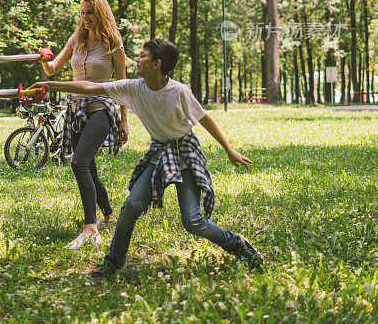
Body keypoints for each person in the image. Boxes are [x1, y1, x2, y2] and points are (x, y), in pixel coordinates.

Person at [33, 38, 263, 281]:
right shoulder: (134, 86)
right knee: (131, 206)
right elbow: (91, 88)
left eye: (143, 55)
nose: (137, 59)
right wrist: (50, 85)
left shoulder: (179, 91)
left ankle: (237, 245)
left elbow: (205, 119)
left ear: (157, 64)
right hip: (159, 151)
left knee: (193, 221)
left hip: (185, 152)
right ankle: (112, 264)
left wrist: (229, 150)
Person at [41, 0, 128, 249]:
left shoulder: (113, 42)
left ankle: (90, 228)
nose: (85, 18)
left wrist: (124, 121)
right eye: (82, 13)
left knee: (79, 162)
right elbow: (53, 68)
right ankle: (109, 214)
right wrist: (45, 58)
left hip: (102, 107)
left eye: (90, 13)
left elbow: (122, 85)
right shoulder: (75, 39)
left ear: (101, 13)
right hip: (76, 108)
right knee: (88, 166)